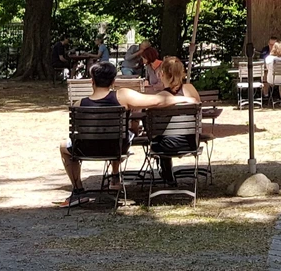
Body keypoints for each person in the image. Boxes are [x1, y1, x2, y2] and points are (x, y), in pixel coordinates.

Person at [59, 60, 195, 206]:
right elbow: (157, 101)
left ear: (92, 81)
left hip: (85, 150)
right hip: (116, 148)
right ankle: (115, 174)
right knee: (122, 134)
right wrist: (183, 98)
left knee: (63, 146)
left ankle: (79, 190)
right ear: (113, 81)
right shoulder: (123, 96)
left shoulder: (79, 104)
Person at [153, 56, 202, 185]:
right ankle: (168, 176)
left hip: (165, 146)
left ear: (161, 74)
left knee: (158, 137)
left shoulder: (161, 97)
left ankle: (168, 176)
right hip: (191, 142)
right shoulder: (191, 89)